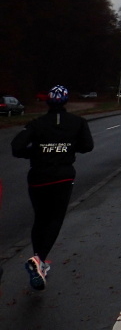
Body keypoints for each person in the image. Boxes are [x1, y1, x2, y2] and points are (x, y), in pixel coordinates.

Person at [10, 85, 94, 291]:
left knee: (40, 218)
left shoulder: (37, 123)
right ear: (65, 101)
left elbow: (16, 146)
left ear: (47, 101)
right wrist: (67, 148)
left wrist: (36, 153)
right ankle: (39, 259)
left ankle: (39, 263)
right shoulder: (78, 122)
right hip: (62, 177)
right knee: (55, 218)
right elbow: (87, 146)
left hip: (38, 177)